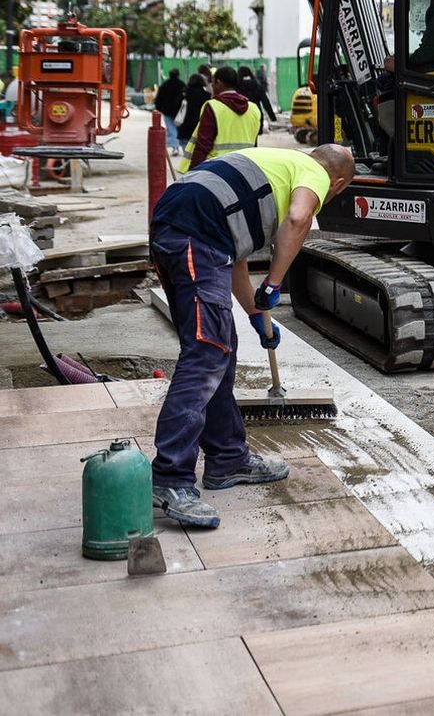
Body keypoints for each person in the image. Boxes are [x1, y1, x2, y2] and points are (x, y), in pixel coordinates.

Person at [147, 144, 356, 527]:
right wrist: (275, 284)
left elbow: (235, 256)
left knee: (219, 345)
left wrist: (256, 314)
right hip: (195, 235)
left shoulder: (274, 166)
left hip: (187, 230)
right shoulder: (313, 173)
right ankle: (169, 478)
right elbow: (297, 219)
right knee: (206, 352)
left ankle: (227, 458)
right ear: (337, 182)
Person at [178, 66, 261, 173]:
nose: (212, 85)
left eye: (213, 82)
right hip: (244, 167)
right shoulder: (253, 109)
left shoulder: (213, 107)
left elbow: (203, 144)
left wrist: (193, 172)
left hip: (216, 169)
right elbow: (254, 142)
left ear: (218, 82)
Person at [238, 65, 278, 131]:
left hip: (241, 116)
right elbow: (266, 102)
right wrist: (272, 117)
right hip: (256, 115)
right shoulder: (257, 86)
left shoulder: (236, 87)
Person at [176, 72, 211, 148]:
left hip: (185, 127)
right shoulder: (207, 96)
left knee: (187, 155)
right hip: (201, 128)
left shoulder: (184, 94)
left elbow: (177, 107)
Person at [154, 69, 185, 151]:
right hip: (179, 111)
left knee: (171, 128)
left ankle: (174, 146)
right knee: (178, 128)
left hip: (167, 111)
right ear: (178, 75)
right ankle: (177, 145)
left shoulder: (164, 85)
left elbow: (159, 98)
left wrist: (159, 108)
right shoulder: (182, 85)